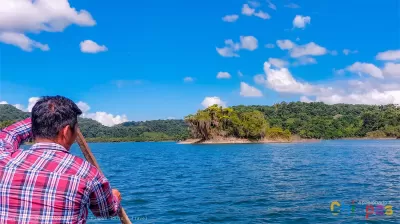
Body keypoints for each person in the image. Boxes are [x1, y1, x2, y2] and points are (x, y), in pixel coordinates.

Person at [0, 96, 121, 223]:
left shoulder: (4, 159)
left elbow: (9, 134)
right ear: (66, 131)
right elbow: (106, 211)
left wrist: (42, 120)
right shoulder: (86, 173)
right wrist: (115, 198)